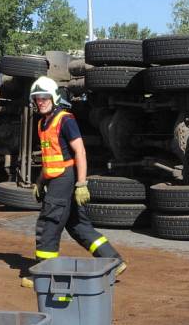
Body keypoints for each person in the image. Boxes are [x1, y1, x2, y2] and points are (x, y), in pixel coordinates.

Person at [21, 76, 126, 288]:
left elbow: (80, 151)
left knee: (48, 223)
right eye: (36, 98)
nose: (40, 101)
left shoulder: (65, 119)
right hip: (55, 177)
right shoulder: (43, 123)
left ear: (54, 98)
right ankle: (114, 261)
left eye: (44, 97)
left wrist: (81, 183)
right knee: (77, 225)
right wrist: (40, 182)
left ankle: (43, 275)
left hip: (65, 178)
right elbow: (50, 156)